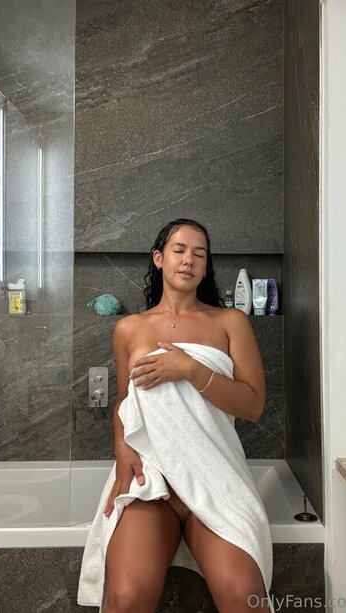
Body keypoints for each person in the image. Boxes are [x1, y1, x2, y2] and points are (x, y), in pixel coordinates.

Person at [102, 218, 270, 613]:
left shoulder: (230, 323)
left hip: (215, 475)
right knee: (125, 597)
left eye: (199, 253)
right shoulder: (129, 329)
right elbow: (125, 402)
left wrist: (192, 370)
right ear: (159, 258)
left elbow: (253, 405)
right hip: (152, 479)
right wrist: (121, 446)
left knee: (244, 598)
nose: (189, 259)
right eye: (179, 250)